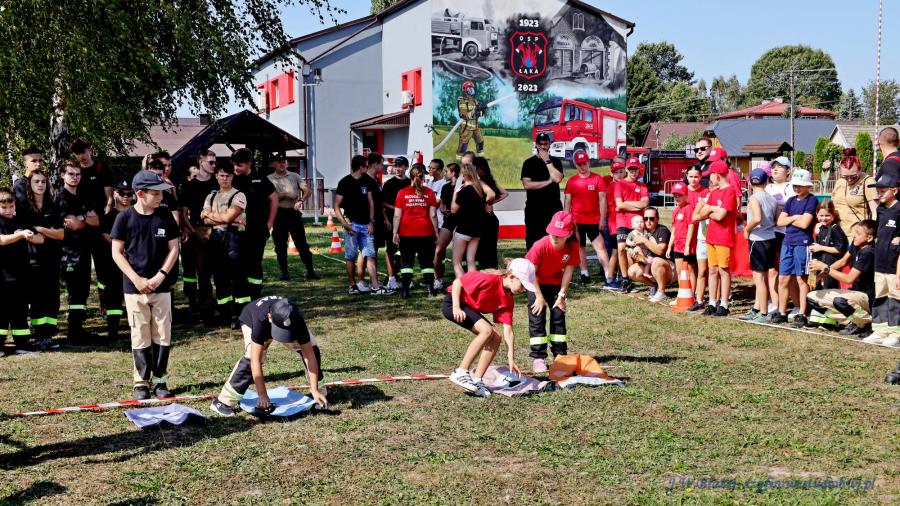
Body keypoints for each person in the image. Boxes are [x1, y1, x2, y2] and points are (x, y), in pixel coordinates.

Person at [110, 171, 180, 400]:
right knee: (140, 334)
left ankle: (160, 380)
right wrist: (136, 279)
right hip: (134, 289)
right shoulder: (124, 218)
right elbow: (116, 253)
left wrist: (161, 275)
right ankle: (141, 382)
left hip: (161, 288)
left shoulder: (165, 216)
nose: (161, 196)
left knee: (162, 334)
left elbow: (174, 249)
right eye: (156, 193)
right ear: (140, 194)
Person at [210, 296, 328, 416]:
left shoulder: (295, 318)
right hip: (252, 320)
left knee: (312, 347)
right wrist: (262, 395)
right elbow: (255, 361)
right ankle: (223, 402)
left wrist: (314, 389)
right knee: (252, 356)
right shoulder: (259, 320)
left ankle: (319, 394)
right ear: (270, 317)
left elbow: (309, 355)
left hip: (278, 321)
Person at [445, 258, 535, 397]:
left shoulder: (508, 299)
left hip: (468, 308)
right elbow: (458, 282)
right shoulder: (489, 279)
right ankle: (461, 372)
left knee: (496, 337)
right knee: (486, 330)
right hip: (453, 303)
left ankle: (477, 381)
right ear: (512, 277)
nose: (523, 290)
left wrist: (511, 359)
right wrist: (456, 307)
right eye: (523, 285)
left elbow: (508, 331)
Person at [524, 211, 579, 373]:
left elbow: (568, 272)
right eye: (553, 232)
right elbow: (531, 273)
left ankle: (560, 355)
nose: (555, 237)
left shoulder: (573, 247)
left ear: (569, 234)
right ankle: (538, 357)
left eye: (560, 234)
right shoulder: (540, 245)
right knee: (537, 317)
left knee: (558, 317)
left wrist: (561, 295)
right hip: (535, 283)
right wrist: (539, 296)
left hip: (555, 284)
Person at [56, 160, 101, 343]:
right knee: (75, 290)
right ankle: (73, 332)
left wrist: (81, 219)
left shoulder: (82, 196)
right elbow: (73, 225)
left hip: (84, 250)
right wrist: (84, 218)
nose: (75, 177)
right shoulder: (62, 198)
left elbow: (96, 221)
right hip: (69, 252)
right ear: (62, 175)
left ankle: (78, 329)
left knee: (83, 290)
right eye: (71, 174)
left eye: (77, 174)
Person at [334, 155, 392, 295]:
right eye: (366, 166)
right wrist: (345, 224)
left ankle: (375, 286)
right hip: (352, 225)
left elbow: (371, 202)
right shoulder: (345, 182)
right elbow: (336, 205)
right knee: (351, 256)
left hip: (366, 225)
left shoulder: (368, 181)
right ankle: (352, 285)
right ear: (360, 167)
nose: (368, 167)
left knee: (370, 254)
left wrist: (371, 222)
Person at [807, 220, 876, 336]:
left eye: (858, 233)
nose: (854, 235)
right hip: (854, 293)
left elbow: (849, 279)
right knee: (812, 298)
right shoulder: (855, 245)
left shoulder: (868, 252)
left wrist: (825, 268)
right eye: (854, 232)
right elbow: (842, 261)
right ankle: (851, 321)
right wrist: (819, 276)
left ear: (869, 238)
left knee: (840, 301)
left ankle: (866, 321)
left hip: (867, 296)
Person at [19, 170, 64, 351]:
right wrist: (47, 231)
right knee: (38, 299)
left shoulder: (52, 206)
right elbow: (30, 236)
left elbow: (60, 234)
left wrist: (40, 229)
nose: (40, 185)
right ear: (30, 185)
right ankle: (39, 335)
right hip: (33, 260)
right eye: (36, 181)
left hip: (52, 258)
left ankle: (48, 335)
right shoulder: (24, 208)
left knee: (52, 299)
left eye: (43, 181)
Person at [202, 163, 249, 326]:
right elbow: (204, 220)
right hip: (215, 239)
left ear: (232, 177)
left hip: (234, 238)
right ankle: (225, 315)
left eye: (228, 175)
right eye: (221, 175)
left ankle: (242, 315)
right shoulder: (211, 196)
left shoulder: (239, 195)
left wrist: (215, 217)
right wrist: (226, 219)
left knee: (238, 277)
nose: (224, 178)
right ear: (216, 176)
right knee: (220, 277)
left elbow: (228, 217)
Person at [772, 169, 818, 327]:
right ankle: (782, 312)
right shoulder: (791, 200)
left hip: (803, 243)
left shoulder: (811, 200)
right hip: (787, 242)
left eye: (800, 185)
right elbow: (780, 222)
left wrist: (790, 219)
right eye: (795, 185)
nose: (796, 188)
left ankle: (802, 313)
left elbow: (805, 223)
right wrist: (795, 217)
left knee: (801, 278)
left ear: (808, 186)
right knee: (783, 278)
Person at [0, 187, 43, 355]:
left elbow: (40, 239)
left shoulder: (20, 221)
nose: (8, 210)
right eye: (4, 207)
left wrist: (30, 236)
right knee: (2, 312)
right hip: (2, 276)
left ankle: (22, 344)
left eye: (11, 206)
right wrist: (20, 235)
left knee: (20, 310)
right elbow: (2, 240)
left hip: (21, 275)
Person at [231, 148, 278, 303]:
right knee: (238, 265)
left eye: (239, 165)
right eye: (234, 165)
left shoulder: (260, 179)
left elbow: (274, 199)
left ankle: (255, 296)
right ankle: (241, 299)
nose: (236, 168)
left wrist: (269, 223)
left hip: (257, 230)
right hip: (237, 231)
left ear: (249, 163)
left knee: (255, 264)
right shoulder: (232, 179)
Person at [695, 160, 740, 317]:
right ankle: (712, 302)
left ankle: (724, 304)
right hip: (711, 237)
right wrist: (712, 210)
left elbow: (720, 216)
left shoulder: (730, 192)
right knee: (712, 270)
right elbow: (702, 214)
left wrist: (711, 210)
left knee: (723, 270)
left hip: (724, 237)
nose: (710, 179)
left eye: (711, 175)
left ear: (717, 175)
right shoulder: (714, 193)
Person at [179, 150, 218, 322]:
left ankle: (222, 306)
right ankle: (204, 308)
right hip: (198, 232)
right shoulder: (190, 186)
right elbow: (183, 213)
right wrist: (194, 231)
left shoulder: (217, 182)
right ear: (200, 161)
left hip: (219, 231)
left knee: (217, 271)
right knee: (201, 272)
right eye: (211, 162)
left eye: (215, 162)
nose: (214, 165)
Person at [268, 152, 318, 281]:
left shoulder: (295, 176)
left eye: (284, 162)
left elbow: (307, 191)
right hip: (279, 214)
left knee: (301, 243)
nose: (282, 164)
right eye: (279, 162)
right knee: (280, 245)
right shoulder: (269, 179)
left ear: (287, 163)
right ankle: (284, 272)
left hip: (293, 213)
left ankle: (310, 272)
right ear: (274, 164)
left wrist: (301, 200)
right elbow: (268, 198)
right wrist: (285, 195)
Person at [564, 150, 611, 286]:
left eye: (584, 163)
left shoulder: (597, 179)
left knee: (600, 246)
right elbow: (567, 202)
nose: (582, 166)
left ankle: (608, 275)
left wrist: (602, 219)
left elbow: (602, 200)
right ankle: (584, 274)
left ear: (588, 162)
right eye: (579, 164)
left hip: (594, 221)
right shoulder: (572, 181)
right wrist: (566, 221)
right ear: (576, 165)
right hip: (576, 221)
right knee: (580, 247)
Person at [392, 163, 439, 299]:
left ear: (410, 177)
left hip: (406, 232)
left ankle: (405, 290)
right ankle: (430, 290)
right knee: (427, 262)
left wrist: (395, 232)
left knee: (407, 262)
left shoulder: (402, 192)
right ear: (423, 177)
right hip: (426, 232)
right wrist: (436, 232)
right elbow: (433, 215)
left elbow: (397, 215)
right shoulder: (429, 192)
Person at [864, 174, 900, 346]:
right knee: (880, 296)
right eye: (878, 191)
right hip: (880, 263)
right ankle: (880, 330)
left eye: (883, 191)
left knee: (895, 298)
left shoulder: (899, 209)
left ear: (895, 191)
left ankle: (895, 333)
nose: (879, 194)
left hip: (894, 264)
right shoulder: (880, 210)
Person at [740, 169, 777, 322]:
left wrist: (747, 229)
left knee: (759, 278)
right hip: (770, 238)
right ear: (766, 181)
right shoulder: (772, 198)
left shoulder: (754, 198)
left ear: (750, 183)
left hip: (758, 239)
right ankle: (757, 308)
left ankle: (763, 312)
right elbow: (775, 219)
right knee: (763, 276)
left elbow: (757, 218)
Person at [99, 181, 134, 340]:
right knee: (113, 297)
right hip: (114, 264)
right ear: (114, 194)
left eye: (129, 193)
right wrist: (120, 246)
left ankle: (138, 330)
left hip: (135, 261)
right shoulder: (109, 216)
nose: (126, 197)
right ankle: (113, 331)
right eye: (122, 193)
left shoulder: (137, 213)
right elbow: (105, 234)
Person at [450, 162, 495, 278]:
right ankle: (473, 285)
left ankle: (462, 285)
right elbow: (491, 195)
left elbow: (453, 210)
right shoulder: (480, 191)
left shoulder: (463, 191)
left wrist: (455, 193)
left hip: (463, 230)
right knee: (471, 261)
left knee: (457, 262)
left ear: (463, 175)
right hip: (477, 231)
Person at [766, 156, 797, 319]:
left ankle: (796, 304)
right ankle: (775, 303)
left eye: (780, 167)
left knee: (788, 271)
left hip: (788, 233)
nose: (775, 169)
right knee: (772, 270)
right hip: (771, 233)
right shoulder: (768, 187)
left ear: (788, 171)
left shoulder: (792, 187)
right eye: (773, 167)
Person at [521, 132, 563, 250]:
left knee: (553, 241)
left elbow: (557, 178)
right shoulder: (529, 163)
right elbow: (527, 184)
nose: (543, 147)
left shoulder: (556, 162)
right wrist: (548, 182)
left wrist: (547, 161)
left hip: (553, 208)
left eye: (545, 144)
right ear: (536, 145)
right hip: (534, 209)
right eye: (540, 144)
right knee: (533, 242)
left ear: (549, 144)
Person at [364, 152, 399, 291]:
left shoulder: (376, 180)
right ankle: (364, 281)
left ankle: (374, 279)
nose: (382, 167)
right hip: (370, 221)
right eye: (381, 164)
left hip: (379, 220)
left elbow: (380, 203)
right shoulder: (365, 180)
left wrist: (384, 218)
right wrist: (370, 220)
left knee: (375, 249)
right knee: (368, 251)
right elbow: (367, 203)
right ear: (375, 164)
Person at [614, 157, 650, 293]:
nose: (633, 172)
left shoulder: (642, 186)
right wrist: (636, 205)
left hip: (638, 222)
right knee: (622, 248)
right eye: (631, 169)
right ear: (626, 170)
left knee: (640, 250)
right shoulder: (620, 184)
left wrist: (626, 204)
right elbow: (619, 204)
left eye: (636, 169)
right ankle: (625, 279)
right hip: (623, 221)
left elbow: (644, 203)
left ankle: (641, 275)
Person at [627, 207, 674, 303]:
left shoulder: (662, 230)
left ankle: (661, 292)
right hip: (650, 264)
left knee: (656, 260)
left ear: (657, 219)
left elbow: (660, 251)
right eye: (645, 218)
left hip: (669, 268)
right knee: (632, 271)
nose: (648, 221)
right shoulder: (642, 231)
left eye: (651, 218)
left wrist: (644, 240)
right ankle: (654, 286)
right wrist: (636, 255)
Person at [831, 148, 877, 236]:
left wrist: (872, 233)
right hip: (837, 235)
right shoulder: (839, 182)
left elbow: (875, 212)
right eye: (845, 176)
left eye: (853, 176)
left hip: (856, 236)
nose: (849, 179)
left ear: (860, 169)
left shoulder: (868, 181)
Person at [382, 156, 412, 288]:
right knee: (390, 250)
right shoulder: (389, 184)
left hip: (407, 222)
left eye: (400, 166)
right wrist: (389, 216)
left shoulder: (410, 183)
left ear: (406, 167)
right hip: (391, 221)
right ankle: (391, 278)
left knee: (406, 250)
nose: (398, 168)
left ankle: (406, 278)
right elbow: (383, 203)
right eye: (396, 166)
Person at [474, 157, 508, 270]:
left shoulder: (483, 182)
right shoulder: (486, 181)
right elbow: (504, 194)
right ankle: (489, 268)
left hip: (486, 219)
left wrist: (488, 203)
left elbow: (504, 193)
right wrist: (488, 203)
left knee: (486, 246)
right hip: (487, 218)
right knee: (486, 246)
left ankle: (490, 269)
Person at [685, 165, 710, 311]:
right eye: (691, 176)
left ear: (701, 177)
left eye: (696, 176)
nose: (693, 179)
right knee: (689, 264)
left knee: (702, 266)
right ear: (687, 176)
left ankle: (700, 295)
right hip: (687, 231)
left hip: (701, 232)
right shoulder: (683, 191)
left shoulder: (705, 192)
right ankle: (690, 292)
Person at [666, 182, 698, 296]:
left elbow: (691, 226)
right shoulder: (675, 211)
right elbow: (674, 229)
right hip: (678, 246)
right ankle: (682, 294)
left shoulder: (689, 208)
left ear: (686, 195)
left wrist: (688, 246)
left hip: (688, 246)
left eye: (680, 195)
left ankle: (692, 294)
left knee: (690, 270)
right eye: (675, 195)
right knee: (680, 272)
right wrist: (670, 246)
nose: (677, 198)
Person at [433, 162, 460, 290]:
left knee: (459, 253)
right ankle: (437, 279)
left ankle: (460, 280)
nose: (445, 174)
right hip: (448, 221)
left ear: (453, 173)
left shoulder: (463, 186)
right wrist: (444, 210)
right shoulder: (445, 187)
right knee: (438, 250)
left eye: (447, 171)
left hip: (462, 222)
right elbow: (442, 205)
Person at [810, 200, 847, 290]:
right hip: (817, 264)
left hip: (830, 267)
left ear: (833, 215)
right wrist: (812, 277)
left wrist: (821, 247)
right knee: (814, 290)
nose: (824, 218)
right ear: (816, 214)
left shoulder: (835, 229)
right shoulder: (820, 227)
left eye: (827, 215)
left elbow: (840, 249)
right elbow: (815, 249)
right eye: (821, 215)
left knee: (829, 290)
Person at [602, 158, 625, 289]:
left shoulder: (625, 184)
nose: (619, 174)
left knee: (623, 251)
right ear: (612, 174)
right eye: (616, 172)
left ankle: (621, 277)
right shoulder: (612, 186)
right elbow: (618, 205)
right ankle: (610, 279)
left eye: (621, 172)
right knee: (616, 251)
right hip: (615, 222)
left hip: (623, 221)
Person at [427, 158, 447, 228]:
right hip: (428, 220)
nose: (429, 169)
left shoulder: (443, 184)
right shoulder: (429, 183)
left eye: (432, 168)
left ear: (439, 171)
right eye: (429, 167)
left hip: (438, 222)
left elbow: (436, 203)